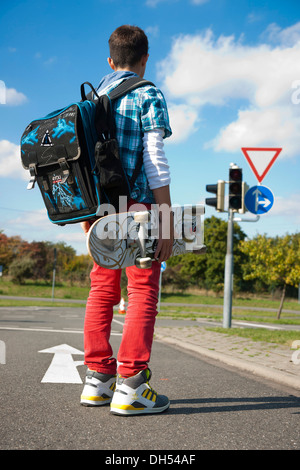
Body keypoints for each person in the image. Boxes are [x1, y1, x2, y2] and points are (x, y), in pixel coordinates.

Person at [80, 25, 173, 416]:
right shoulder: (147, 92)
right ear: (145, 58)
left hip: (100, 209)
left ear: (110, 59)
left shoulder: (94, 95)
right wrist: (164, 216)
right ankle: (132, 384)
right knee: (142, 291)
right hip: (138, 208)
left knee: (102, 290)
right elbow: (154, 159)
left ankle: (98, 380)